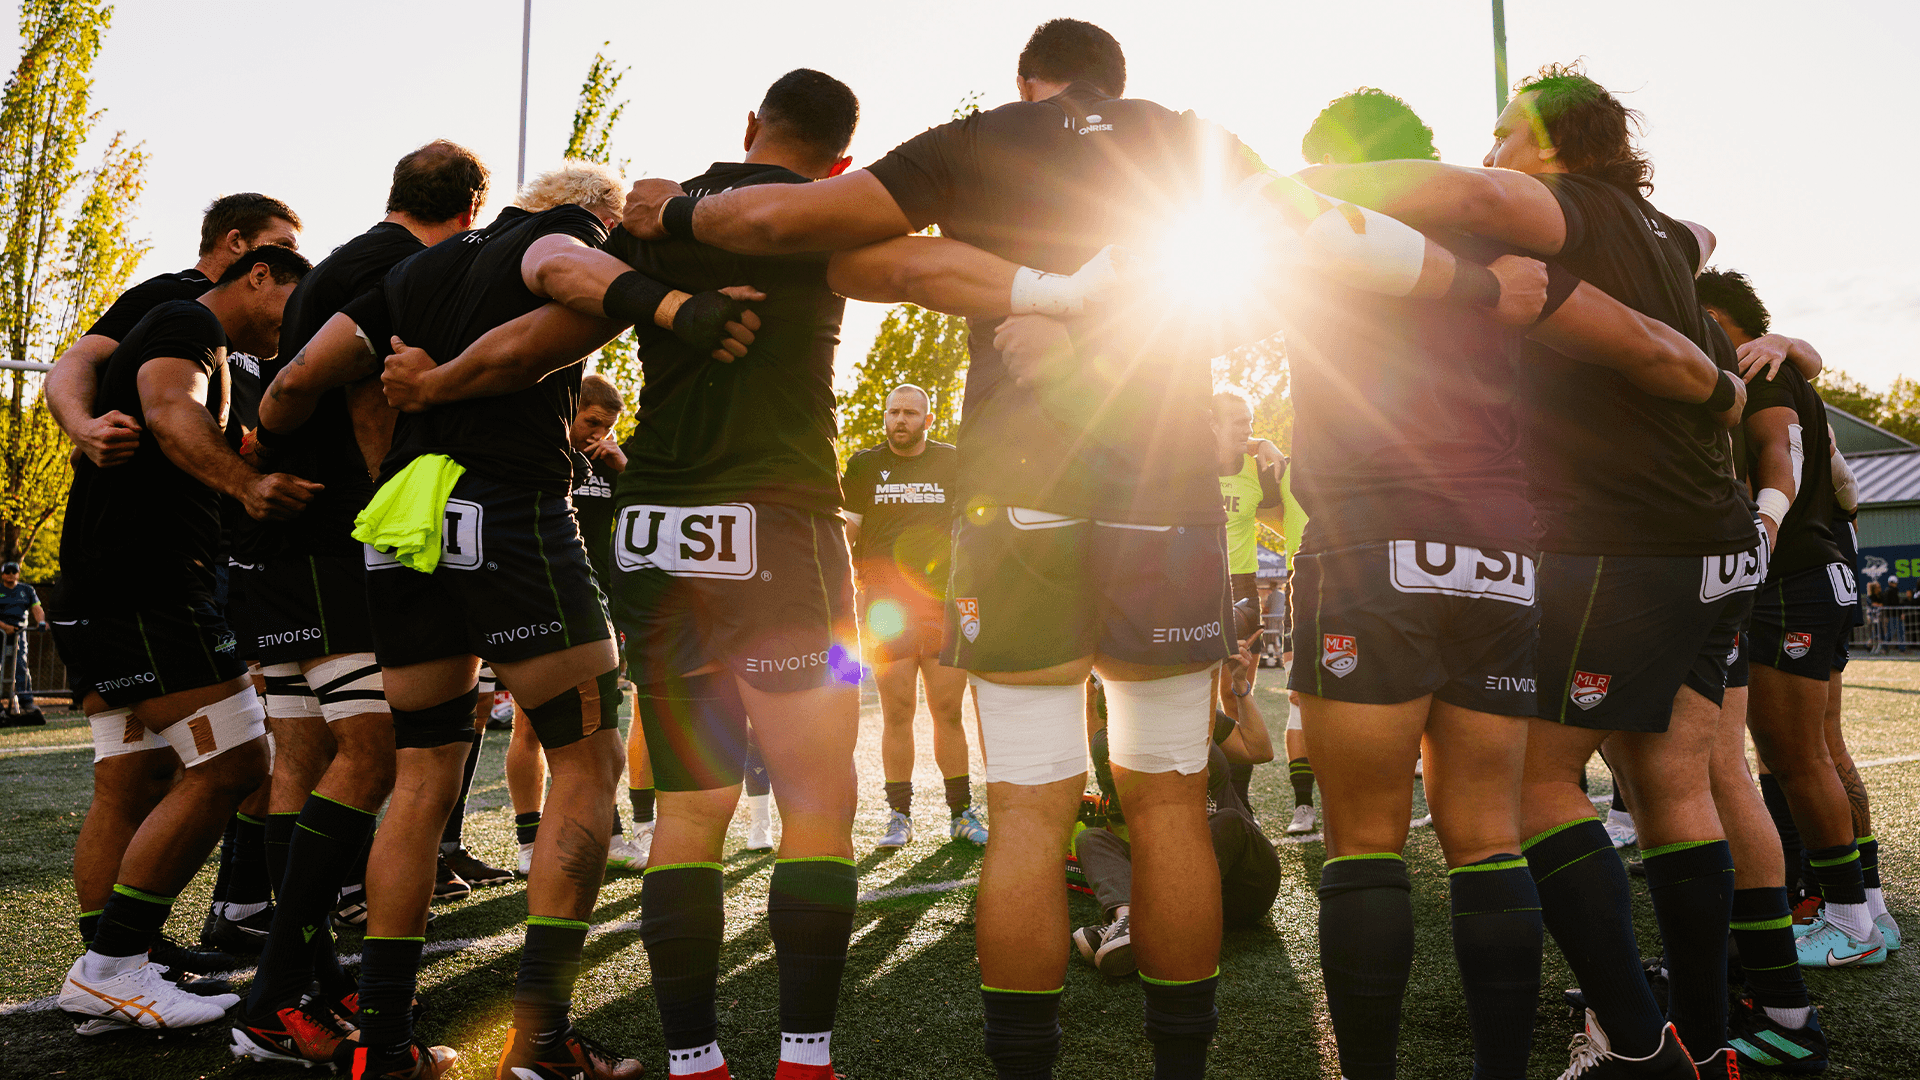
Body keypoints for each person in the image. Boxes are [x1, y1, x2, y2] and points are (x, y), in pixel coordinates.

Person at [615, 20, 1582, 1078]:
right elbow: (1323, 234)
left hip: (1020, 497)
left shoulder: (979, 139)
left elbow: (824, 238)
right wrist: (1476, 286)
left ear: (1026, 81)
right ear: (1121, 81)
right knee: (1167, 794)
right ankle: (1177, 1066)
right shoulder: (1185, 139)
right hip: (1162, 497)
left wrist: (673, 212)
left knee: (1031, 802)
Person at [1298, 66, 1770, 1079]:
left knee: (1529, 791)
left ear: (1554, 152)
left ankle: (1640, 1041)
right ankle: (1711, 1030)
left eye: (1508, 135)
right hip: (1698, 537)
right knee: (1674, 781)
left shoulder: (1517, 219)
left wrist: (1305, 186)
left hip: (1608, 535)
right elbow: (1698, 250)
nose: (1491, 154)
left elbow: (1470, 197)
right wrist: (1732, 379)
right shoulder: (1655, 232)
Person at [257, 160, 750, 1080]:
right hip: (509, 510)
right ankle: (543, 1041)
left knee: (420, 774)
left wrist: (265, 469)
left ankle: (389, 1048)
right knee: (590, 752)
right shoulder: (565, 235)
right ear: (595, 213)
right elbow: (555, 297)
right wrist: (670, 300)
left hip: (402, 524)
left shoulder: (412, 270)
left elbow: (291, 387)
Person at [227, 141, 493, 1068]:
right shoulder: (402, 269)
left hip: (275, 553)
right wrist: (400, 516)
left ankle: (310, 985)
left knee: (302, 758)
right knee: (376, 755)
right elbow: (356, 396)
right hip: (337, 547)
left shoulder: (335, 265)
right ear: (469, 209)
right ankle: (271, 995)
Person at [49, 244, 314, 1033]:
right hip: (150, 589)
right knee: (238, 760)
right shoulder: (187, 320)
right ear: (256, 271)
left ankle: (111, 974)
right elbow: (171, 409)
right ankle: (112, 969)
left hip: (107, 586)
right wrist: (248, 485)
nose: (293, 327)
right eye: (290, 304)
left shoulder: (186, 333)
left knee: (133, 777)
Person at [1703, 269, 1883, 977]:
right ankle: (1860, 904)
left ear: (1724, 319)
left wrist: (1763, 528)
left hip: (1793, 582)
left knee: (1794, 755)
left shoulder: (1764, 378)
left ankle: (1848, 917)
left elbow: (1779, 455)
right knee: (1819, 752)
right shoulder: (1784, 366)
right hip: (1819, 575)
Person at [507, 372, 657, 874]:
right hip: (533, 597)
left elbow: (643, 511)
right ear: (571, 410)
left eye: (607, 428)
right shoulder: (539, 450)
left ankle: (610, 832)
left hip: (592, 603)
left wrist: (619, 463)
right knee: (532, 725)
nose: (597, 435)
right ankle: (530, 843)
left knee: (596, 723)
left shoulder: (606, 462)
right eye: (591, 423)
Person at [1072, 628, 1279, 977]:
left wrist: (1239, 683)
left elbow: (1259, 749)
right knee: (1091, 840)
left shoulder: (1191, 712)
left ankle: (1139, 923)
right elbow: (1095, 715)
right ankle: (1128, 921)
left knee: (1227, 821)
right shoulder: (1113, 740)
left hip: (1243, 880)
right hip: (1171, 878)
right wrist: (1092, 681)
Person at [841, 383, 984, 849]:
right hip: (886, 608)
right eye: (893, 412)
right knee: (896, 713)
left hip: (941, 603)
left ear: (927, 418)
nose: (899, 420)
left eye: (909, 413)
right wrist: (854, 589)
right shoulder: (863, 465)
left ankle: (961, 813)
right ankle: (898, 816)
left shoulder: (952, 461)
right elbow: (849, 533)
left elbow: (971, 526)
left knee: (948, 712)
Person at [1207, 390, 1285, 817]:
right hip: (1198, 588)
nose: (1248, 427)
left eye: (1250, 420)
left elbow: (1281, 518)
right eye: (1237, 420)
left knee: (1235, 694)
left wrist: (1263, 447)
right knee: (1196, 693)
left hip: (1241, 591)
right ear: (1212, 425)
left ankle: (1238, 803)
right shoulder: (1192, 467)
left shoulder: (1257, 472)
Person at [0, 561, 47, 723]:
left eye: (14, 571)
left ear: (18, 573)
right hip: (1, 632)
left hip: (20, 634)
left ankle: (27, 702)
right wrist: (5, 627)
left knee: (21, 665)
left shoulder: (27, 590)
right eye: (8, 571)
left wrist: (41, 622)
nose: (11, 574)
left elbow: (36, 608)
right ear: (2, 574)